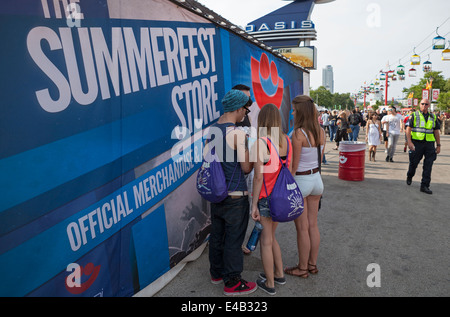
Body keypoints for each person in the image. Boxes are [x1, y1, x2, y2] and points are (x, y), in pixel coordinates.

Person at [208, 89, 257, 295]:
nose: (246, 114)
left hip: (216, 193)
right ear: (238, 108)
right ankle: (233, 282)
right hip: (235, 195)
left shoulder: (213, 129)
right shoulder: (236, 133)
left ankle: (217, 274)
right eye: (245, 109)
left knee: (217, 235)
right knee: (233, 240)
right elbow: (246, 168)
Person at [251, 104, 290, 295]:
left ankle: (270, 284)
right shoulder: (286, 141)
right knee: (272, 237)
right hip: (282, 197)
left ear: (262, 121)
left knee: (265, 241)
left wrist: (253, 204)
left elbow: (258, 177)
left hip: (266, 198)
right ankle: (279, 273)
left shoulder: (261, 143)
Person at [285, 95, 325, 279]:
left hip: (302, 182)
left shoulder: (298, 133)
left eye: (294, 109)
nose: (292, 112)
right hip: (317, 180)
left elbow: (294, 165)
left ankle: (302, 268)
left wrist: (286, 185)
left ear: (300, 111)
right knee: (313, 225)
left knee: (302, 228)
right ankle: (313, 264)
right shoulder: (321, 131)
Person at [406, 99, 441, 194]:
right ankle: (410, 175)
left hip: (429, 144)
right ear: (419, 105)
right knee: (414, 163)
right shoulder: (414, 115)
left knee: (428, 165)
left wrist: (438, 145)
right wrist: (409, 142)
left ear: (429, 105)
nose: (424, 105)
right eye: (422, 104)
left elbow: (436, 131)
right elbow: (408, 129)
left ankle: (424, 185)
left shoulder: (433, 116)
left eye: (426, 104)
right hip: (417, 143)